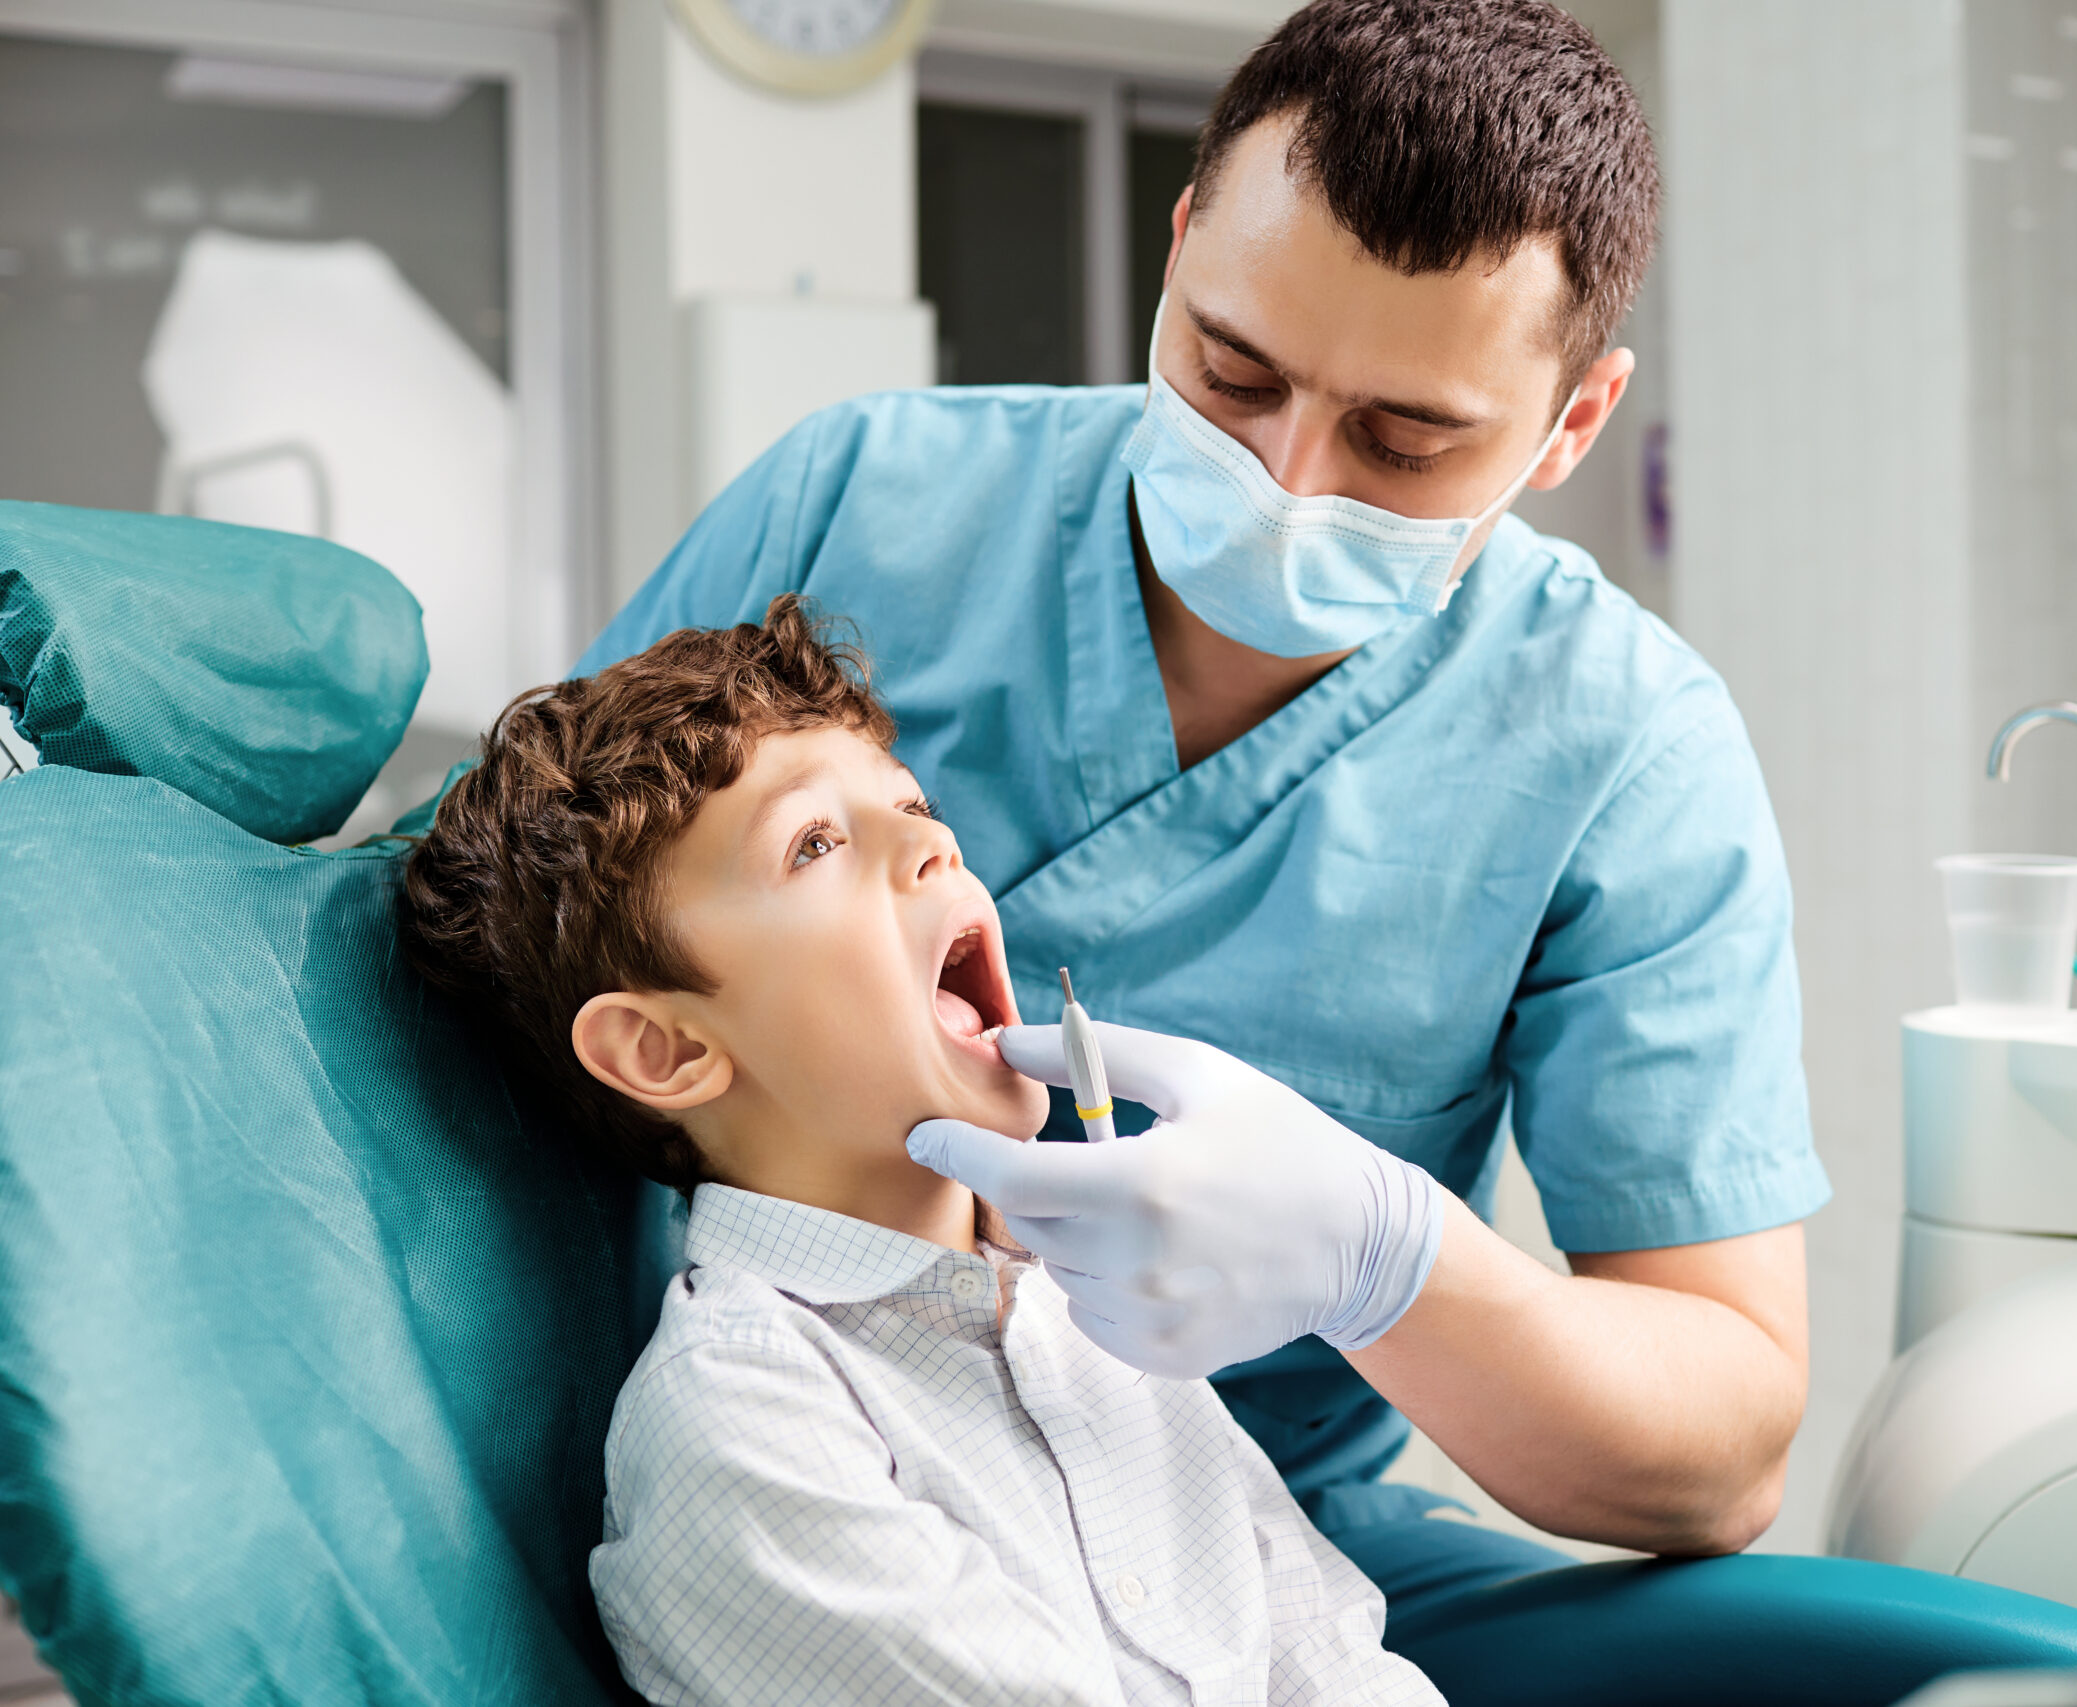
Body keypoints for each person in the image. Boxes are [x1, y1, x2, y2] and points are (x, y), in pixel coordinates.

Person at [0, 0, 1828, 1676]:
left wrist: (1389, 1264)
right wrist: (40, 909)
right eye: (1228, 370)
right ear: (1181, 236)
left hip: (1254, 1502)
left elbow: (1713, 1442)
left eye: (1403, 441)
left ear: (1568, 427)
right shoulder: (871, 496)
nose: (1281, 479)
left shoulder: (1622, 748)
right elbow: (507, 913)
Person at [396, 598, 1445, 1706]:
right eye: (815, 843)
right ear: (664, 1048)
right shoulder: (746, 1424)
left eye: (910, 804)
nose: (931, 842)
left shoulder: (1097, 1320)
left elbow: (1335, 1658)